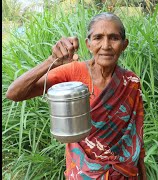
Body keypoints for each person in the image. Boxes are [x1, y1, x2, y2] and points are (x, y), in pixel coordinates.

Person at [6, 12, 146, 180]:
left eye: (114, 38)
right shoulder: (73, 72)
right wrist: (51, 61)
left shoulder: (130, 81)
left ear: (124, 44)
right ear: (88, 44)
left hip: (124, 173)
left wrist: (142, 174)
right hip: (83, 172)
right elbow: (14, 93)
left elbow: (136, 136)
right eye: (98, 38)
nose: (106, 45)